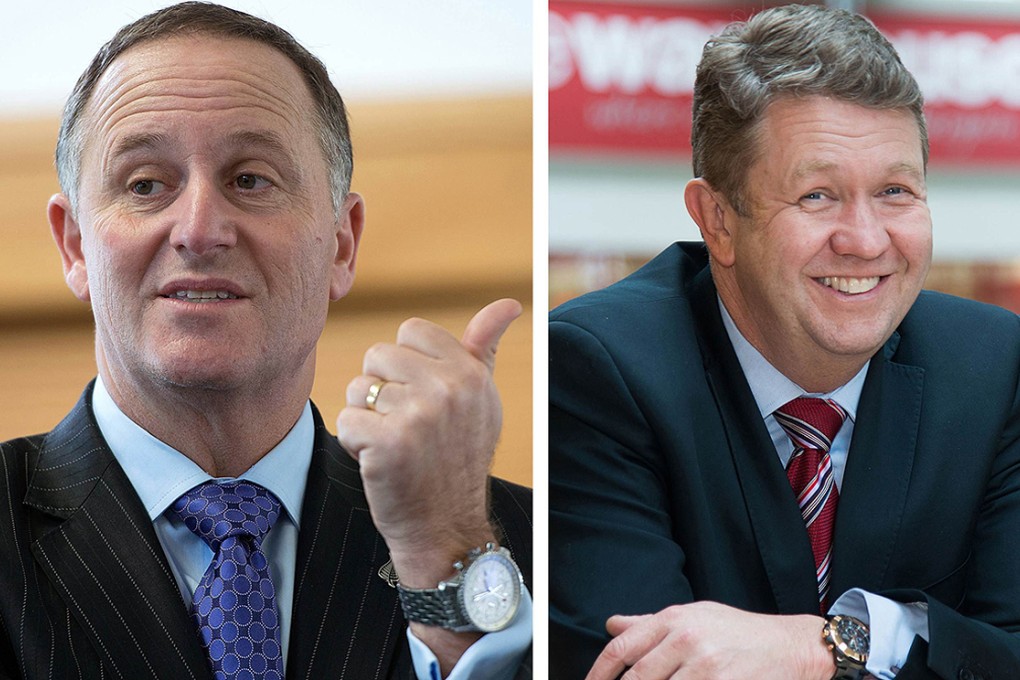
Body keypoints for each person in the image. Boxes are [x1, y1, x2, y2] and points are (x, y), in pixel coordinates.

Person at [0, 3, 532, 679]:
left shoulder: (517, 537)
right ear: (74, 245)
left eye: (250, 179)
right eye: (145, 185)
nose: (198, 228)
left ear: (342, 242)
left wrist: (442, 551)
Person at [550, 4, 1020, 679]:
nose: (864, 240)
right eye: (817, 196)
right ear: (718, 221)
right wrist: (922, 645)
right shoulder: (600, 368)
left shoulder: (994, 366)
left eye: (894, 190)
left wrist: (835, 643)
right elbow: (632, 666)